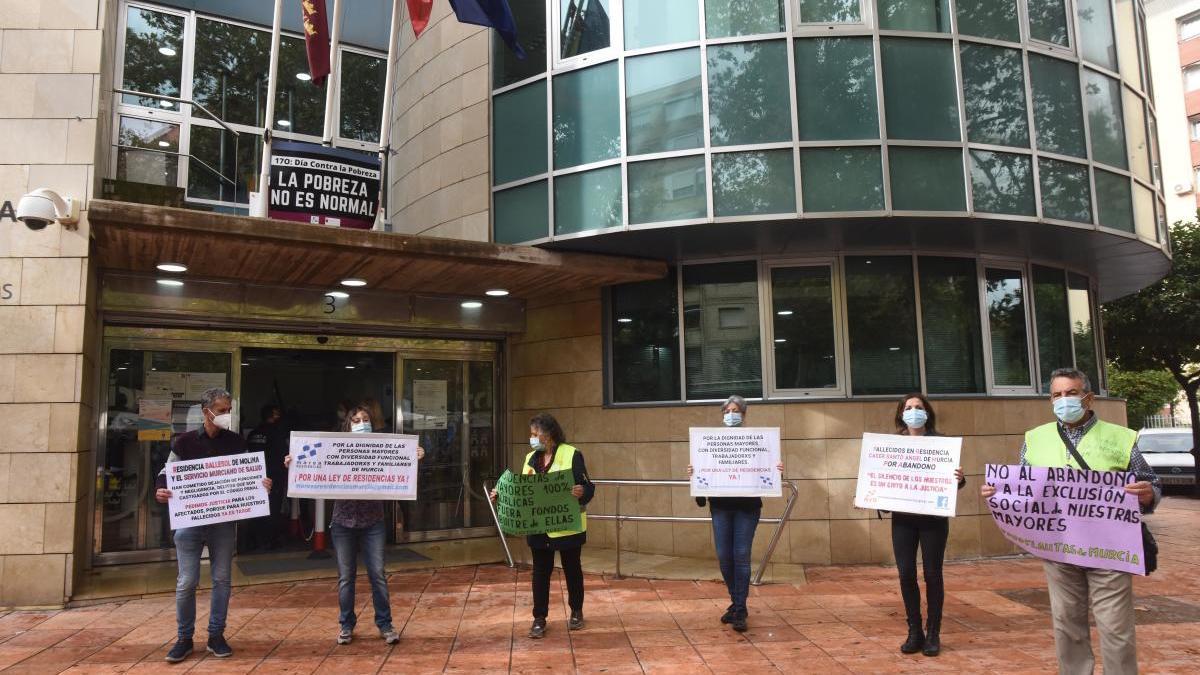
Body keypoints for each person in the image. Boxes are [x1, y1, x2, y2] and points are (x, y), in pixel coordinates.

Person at [981, 368, 1160, 675]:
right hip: (1060, 550)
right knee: (1067, 626)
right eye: (1057, 395)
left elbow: (1150, 484)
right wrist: (999, 492)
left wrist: (1148, 494)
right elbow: (1025, 489)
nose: (1064, 400)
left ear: (1088, 398)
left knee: (1116, 629)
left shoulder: (1120, 437)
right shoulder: (1034, 439)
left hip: (1110, 551)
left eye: (1071, 393)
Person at [286, 405, 423, 645]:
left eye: (366, 419)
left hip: (373, 522)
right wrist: (294, 462)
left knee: (377, 575)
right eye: (357, 419)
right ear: (349, 424)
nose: (362, 423)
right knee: (346, 577)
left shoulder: (383, 447)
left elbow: (401, 464)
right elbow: (312, 464)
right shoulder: (334, 447)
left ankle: (385, 623)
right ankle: (346, 625)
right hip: (343, 522)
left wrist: (415, 454)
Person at [155, 388, 272, 663]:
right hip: (190, 523)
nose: (226, 415)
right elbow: (165, 472)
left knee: (222, 579)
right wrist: (160, 489)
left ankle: (216, 635)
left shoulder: (236, 441)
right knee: (187, 582)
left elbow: (249, 474)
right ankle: (184, 638)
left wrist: (261, 484)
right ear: (206, 411)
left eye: (228, 409)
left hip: (222, 524)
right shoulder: (183, 442)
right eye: (221, 410)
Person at [686, 395, 784, 632]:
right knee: (724, 556)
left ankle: (739, 608)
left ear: (744, 414)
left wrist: (776, 471)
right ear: (722, 415)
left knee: (741, 554)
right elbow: (703, 488)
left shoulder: (758, 441)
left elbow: (766, 473)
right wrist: (695, 475)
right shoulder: (709, 444)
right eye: (727, 411)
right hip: (720, 507)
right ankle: (736, 601)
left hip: (747, 508)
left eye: (736, 410)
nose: (731, 414)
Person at [492, 413, 594, 639]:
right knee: (540, 572)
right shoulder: (530, 458)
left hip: (568, 526)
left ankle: (576, 611)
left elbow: (589, 487)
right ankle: (539, 618)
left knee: (572, 570)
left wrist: (582, 492)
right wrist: (501, 492)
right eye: (532, 434)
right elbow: (522, 488)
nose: (532, 438)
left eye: (535, 434)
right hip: (538, 526)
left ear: (548, 435)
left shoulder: (572, 455)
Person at [888, 393, 965, 657]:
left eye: (918, 407)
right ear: (901, 414)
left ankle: (933, 632)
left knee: (932, 574)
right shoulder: (891, 445)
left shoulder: (942, 444)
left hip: (933, 520)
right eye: (908, 408)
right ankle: (914, 631)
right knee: (906, 573)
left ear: (927, 413)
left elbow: (955, 483)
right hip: (903, 520)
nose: (913, 411)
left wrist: (959, 478)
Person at [246, 403, 289, 550]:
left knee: (256, 509)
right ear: (272, 415)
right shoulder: (277, 433)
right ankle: (268, 541)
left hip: (253, 478)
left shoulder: (253, 434)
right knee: (272, 509)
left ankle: (255, 540)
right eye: (277, 413)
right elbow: (284, 456)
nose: (279, 416)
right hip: (273, 478)